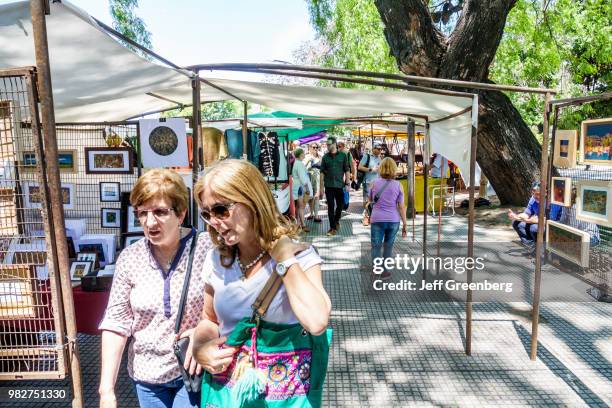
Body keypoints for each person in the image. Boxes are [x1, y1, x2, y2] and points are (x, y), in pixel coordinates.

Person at [192, 159, 331, 399]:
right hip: (230, 393)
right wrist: (200, 349)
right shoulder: (216, 259)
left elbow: (317, 322)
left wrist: (285, 258)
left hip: (286, 396)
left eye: (221, 210)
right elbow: (209, 320)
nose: (214, 221)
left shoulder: (302, 257)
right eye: (207, 213)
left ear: (253, 202)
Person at [98, 169, 212, 408]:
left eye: (160, 212)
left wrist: (203, 331)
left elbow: (228, 305)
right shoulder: (131, 257)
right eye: (142, 213)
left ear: (181, 214)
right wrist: (106, 390)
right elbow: (116, 323)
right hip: (146, 375)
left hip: (191, 370)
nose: (150, 222)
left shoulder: (207, 248)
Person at [368, 158, 407, 279]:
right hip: (393, 220)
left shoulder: (373, 183)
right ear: (394, 169)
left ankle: (376, 269)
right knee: (388, 246)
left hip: (377, 219)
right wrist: (405, 223)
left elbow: (370, 200)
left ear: (381, 168)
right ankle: (385, 272)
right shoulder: (399, 185)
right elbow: (401, 207)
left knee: (376, 245)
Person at [508, 182, 562, 248]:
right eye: (533, 194)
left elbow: (548, 221)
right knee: (515, 222)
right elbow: (527, 214)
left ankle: (541, 250)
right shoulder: (533, 198)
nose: (535, 196)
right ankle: (531, 246)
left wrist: (529, 220)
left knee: (534, 228)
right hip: (537, 221)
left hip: (553, 226)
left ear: (545, 193)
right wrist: (516, 216)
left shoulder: (553, 201)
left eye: (538, 194)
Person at [320, 136, 351, 236]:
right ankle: (332, 227)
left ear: (334, 144)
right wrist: (321, 188)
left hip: (339, 185)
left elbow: (347, 170)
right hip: (328, 186)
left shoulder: (343, 155)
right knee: (330, 207)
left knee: (340, 206)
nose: (327, 146)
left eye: (329, 144)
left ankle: (336, 221)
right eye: (327, 144)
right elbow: (322, 173)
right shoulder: (325, 157)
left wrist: (347, 183)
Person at [358, 144, 383, 225]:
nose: (380, 151)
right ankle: (365, 217)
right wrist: (370, 169)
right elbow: (360, 167)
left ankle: (373, 217)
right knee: (367, 200)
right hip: (367, 182)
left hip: (377, 183)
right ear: (373, 149)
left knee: (375, 200)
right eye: (378, 149)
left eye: (380, 149)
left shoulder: (379, 158)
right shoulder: (367, 156)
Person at [291, 148, 313, 233]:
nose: (304, 155)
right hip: (300, 188)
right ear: (300, 155)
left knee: (298, 207)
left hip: (297, 187)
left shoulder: (296, 163)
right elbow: (303, 178)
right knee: (301, 207)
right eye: (303, 153)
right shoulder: (299, 164)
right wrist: (307, 189)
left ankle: (297, 224)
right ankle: (303, 225)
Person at [304, 142, 323, 223]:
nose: (315, 149)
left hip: (318, 179)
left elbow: (323, 170)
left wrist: (323, 183)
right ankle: (311, 214)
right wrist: (308, 160)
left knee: (316, 196)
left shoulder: (320, 157)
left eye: (317, 147)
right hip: (309, 179)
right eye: (313, 147)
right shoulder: (306, 157)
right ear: (310, 148)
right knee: (310, 197)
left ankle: (316, 215)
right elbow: (303, 167)